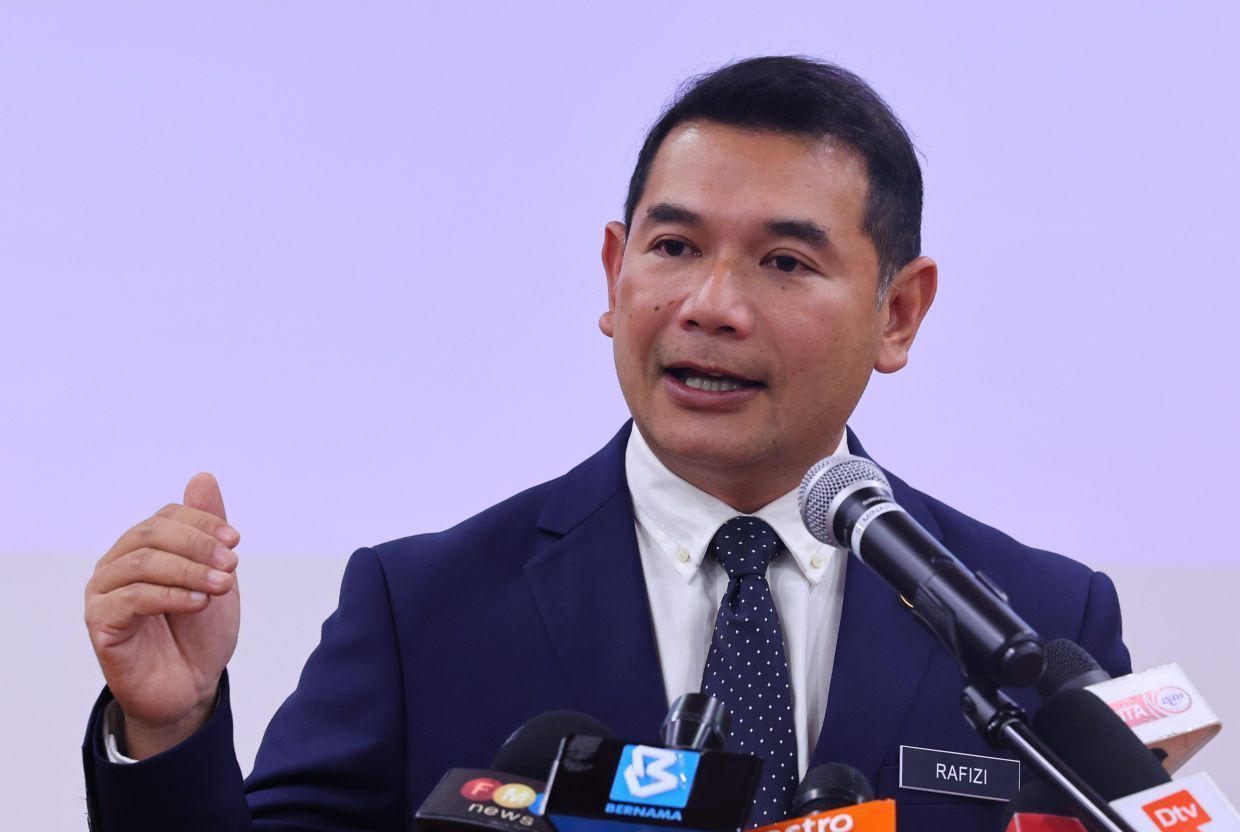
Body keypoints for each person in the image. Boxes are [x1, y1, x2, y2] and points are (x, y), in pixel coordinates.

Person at [82, 56, 1130, 831]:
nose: (710, 305)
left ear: (898, 312)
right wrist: (168, 728)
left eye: (783, 262)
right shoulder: (423, 609)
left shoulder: (1040, 624)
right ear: (613, 272)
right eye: (674, 247)